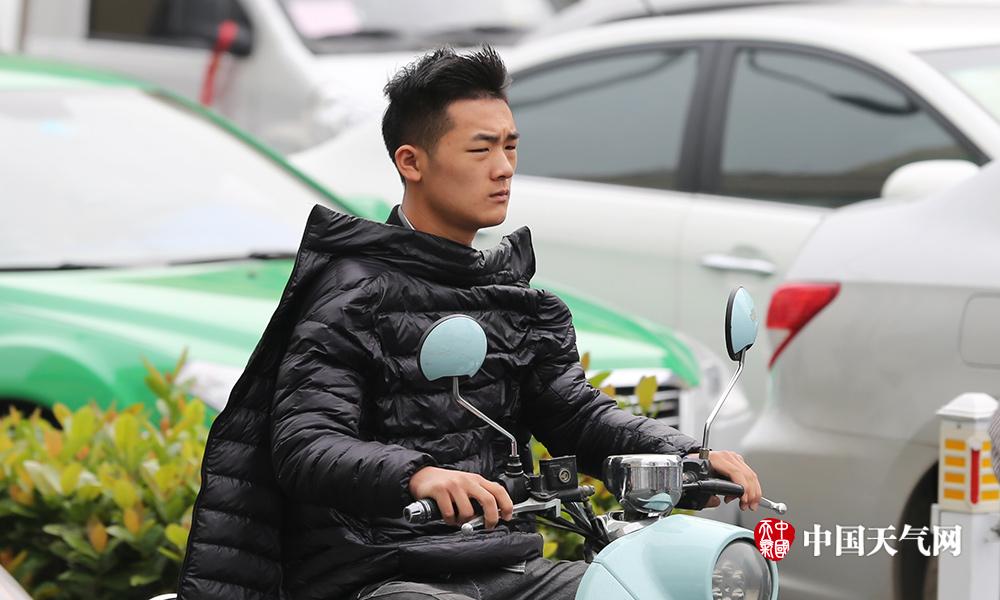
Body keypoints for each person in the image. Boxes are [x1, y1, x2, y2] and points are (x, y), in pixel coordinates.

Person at [175, 46, 762, 600]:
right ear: (412, 162)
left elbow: (575, 415)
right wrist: (417, 476)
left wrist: (685, 456)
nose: (503, 169)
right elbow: (306, 443)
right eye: (481, 150)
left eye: (510, 147)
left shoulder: (514, 301)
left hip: (508, 567)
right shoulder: (352, 295)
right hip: (383, 574)